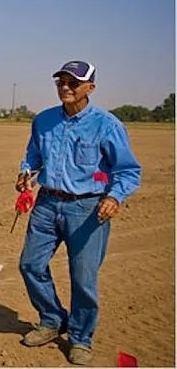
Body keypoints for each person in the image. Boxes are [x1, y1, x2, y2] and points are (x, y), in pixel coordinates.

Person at [16, 60, 141, 365]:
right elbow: (34, 154)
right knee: (30, 265)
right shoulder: (44, 120)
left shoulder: (106, 124)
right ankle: (52, 319)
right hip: (47, 203)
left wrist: (114, 197)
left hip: (88, 208)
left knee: (83, 279)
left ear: (90, 88)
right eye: (61, 82)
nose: (66, 88)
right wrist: (26, 172)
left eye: (73, 82)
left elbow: (128, 170)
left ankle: (81, 338)